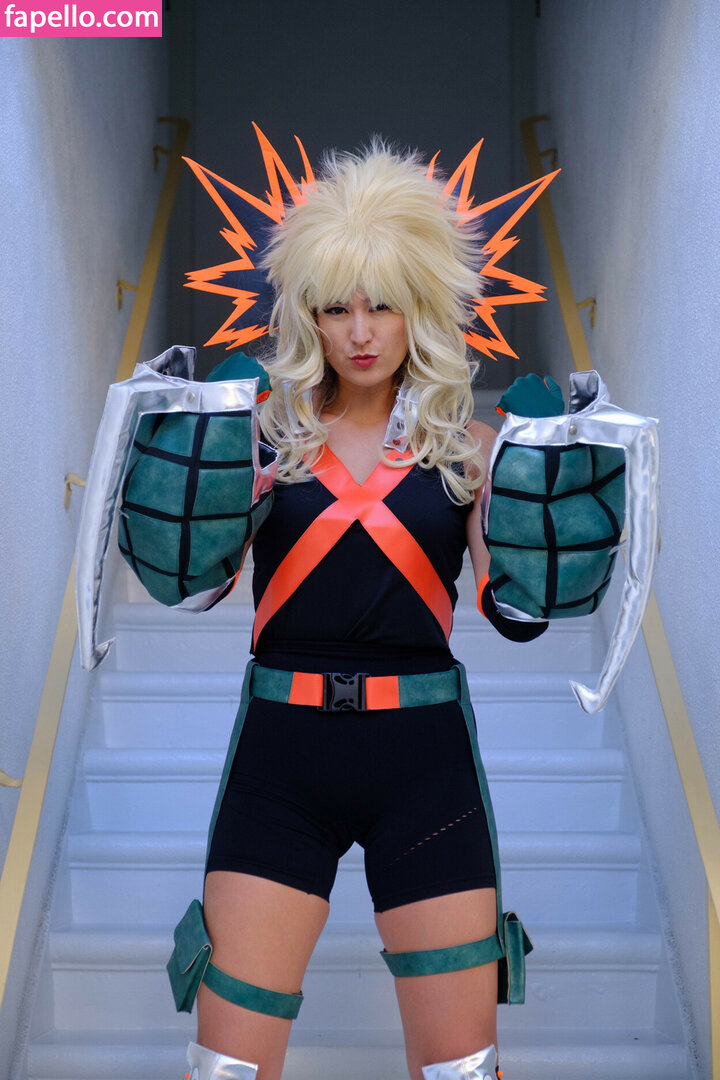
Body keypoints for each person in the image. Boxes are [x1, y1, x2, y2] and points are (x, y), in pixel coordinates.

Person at [163, 142, 542, 1080]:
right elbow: (194, 582)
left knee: (462, 1073)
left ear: (423, 306)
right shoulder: (263, 437)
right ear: (308, 315)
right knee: (225, 1071)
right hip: (281, 761)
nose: (361, 332)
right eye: (336, 308)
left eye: (384, 304)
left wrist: (554, 517)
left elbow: (516, 608)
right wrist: (177, 480)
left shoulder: (472, 447)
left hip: (425, 766)